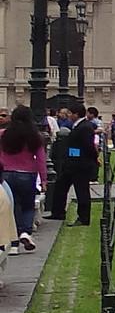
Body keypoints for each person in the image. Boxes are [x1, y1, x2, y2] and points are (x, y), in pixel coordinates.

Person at [1, 107, 45, 254]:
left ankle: (13, 244)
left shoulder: (3, 135)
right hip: (28, 174)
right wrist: (43, 179)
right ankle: (25, 232)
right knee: (27, 205)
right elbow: (40, 160)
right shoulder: (34, 136)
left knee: (12, 207)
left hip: (6, 173)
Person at [46, 106, 98, 226]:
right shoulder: (79, 126)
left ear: (76, 114)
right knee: (60, 186)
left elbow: (88, 147)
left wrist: (92, 159)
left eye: (70, 113)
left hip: (80, 165)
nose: (68, 115)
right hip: (72, 164)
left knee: (82, 191)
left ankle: (84, 218)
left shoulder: (84, 127)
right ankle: (58, 212)